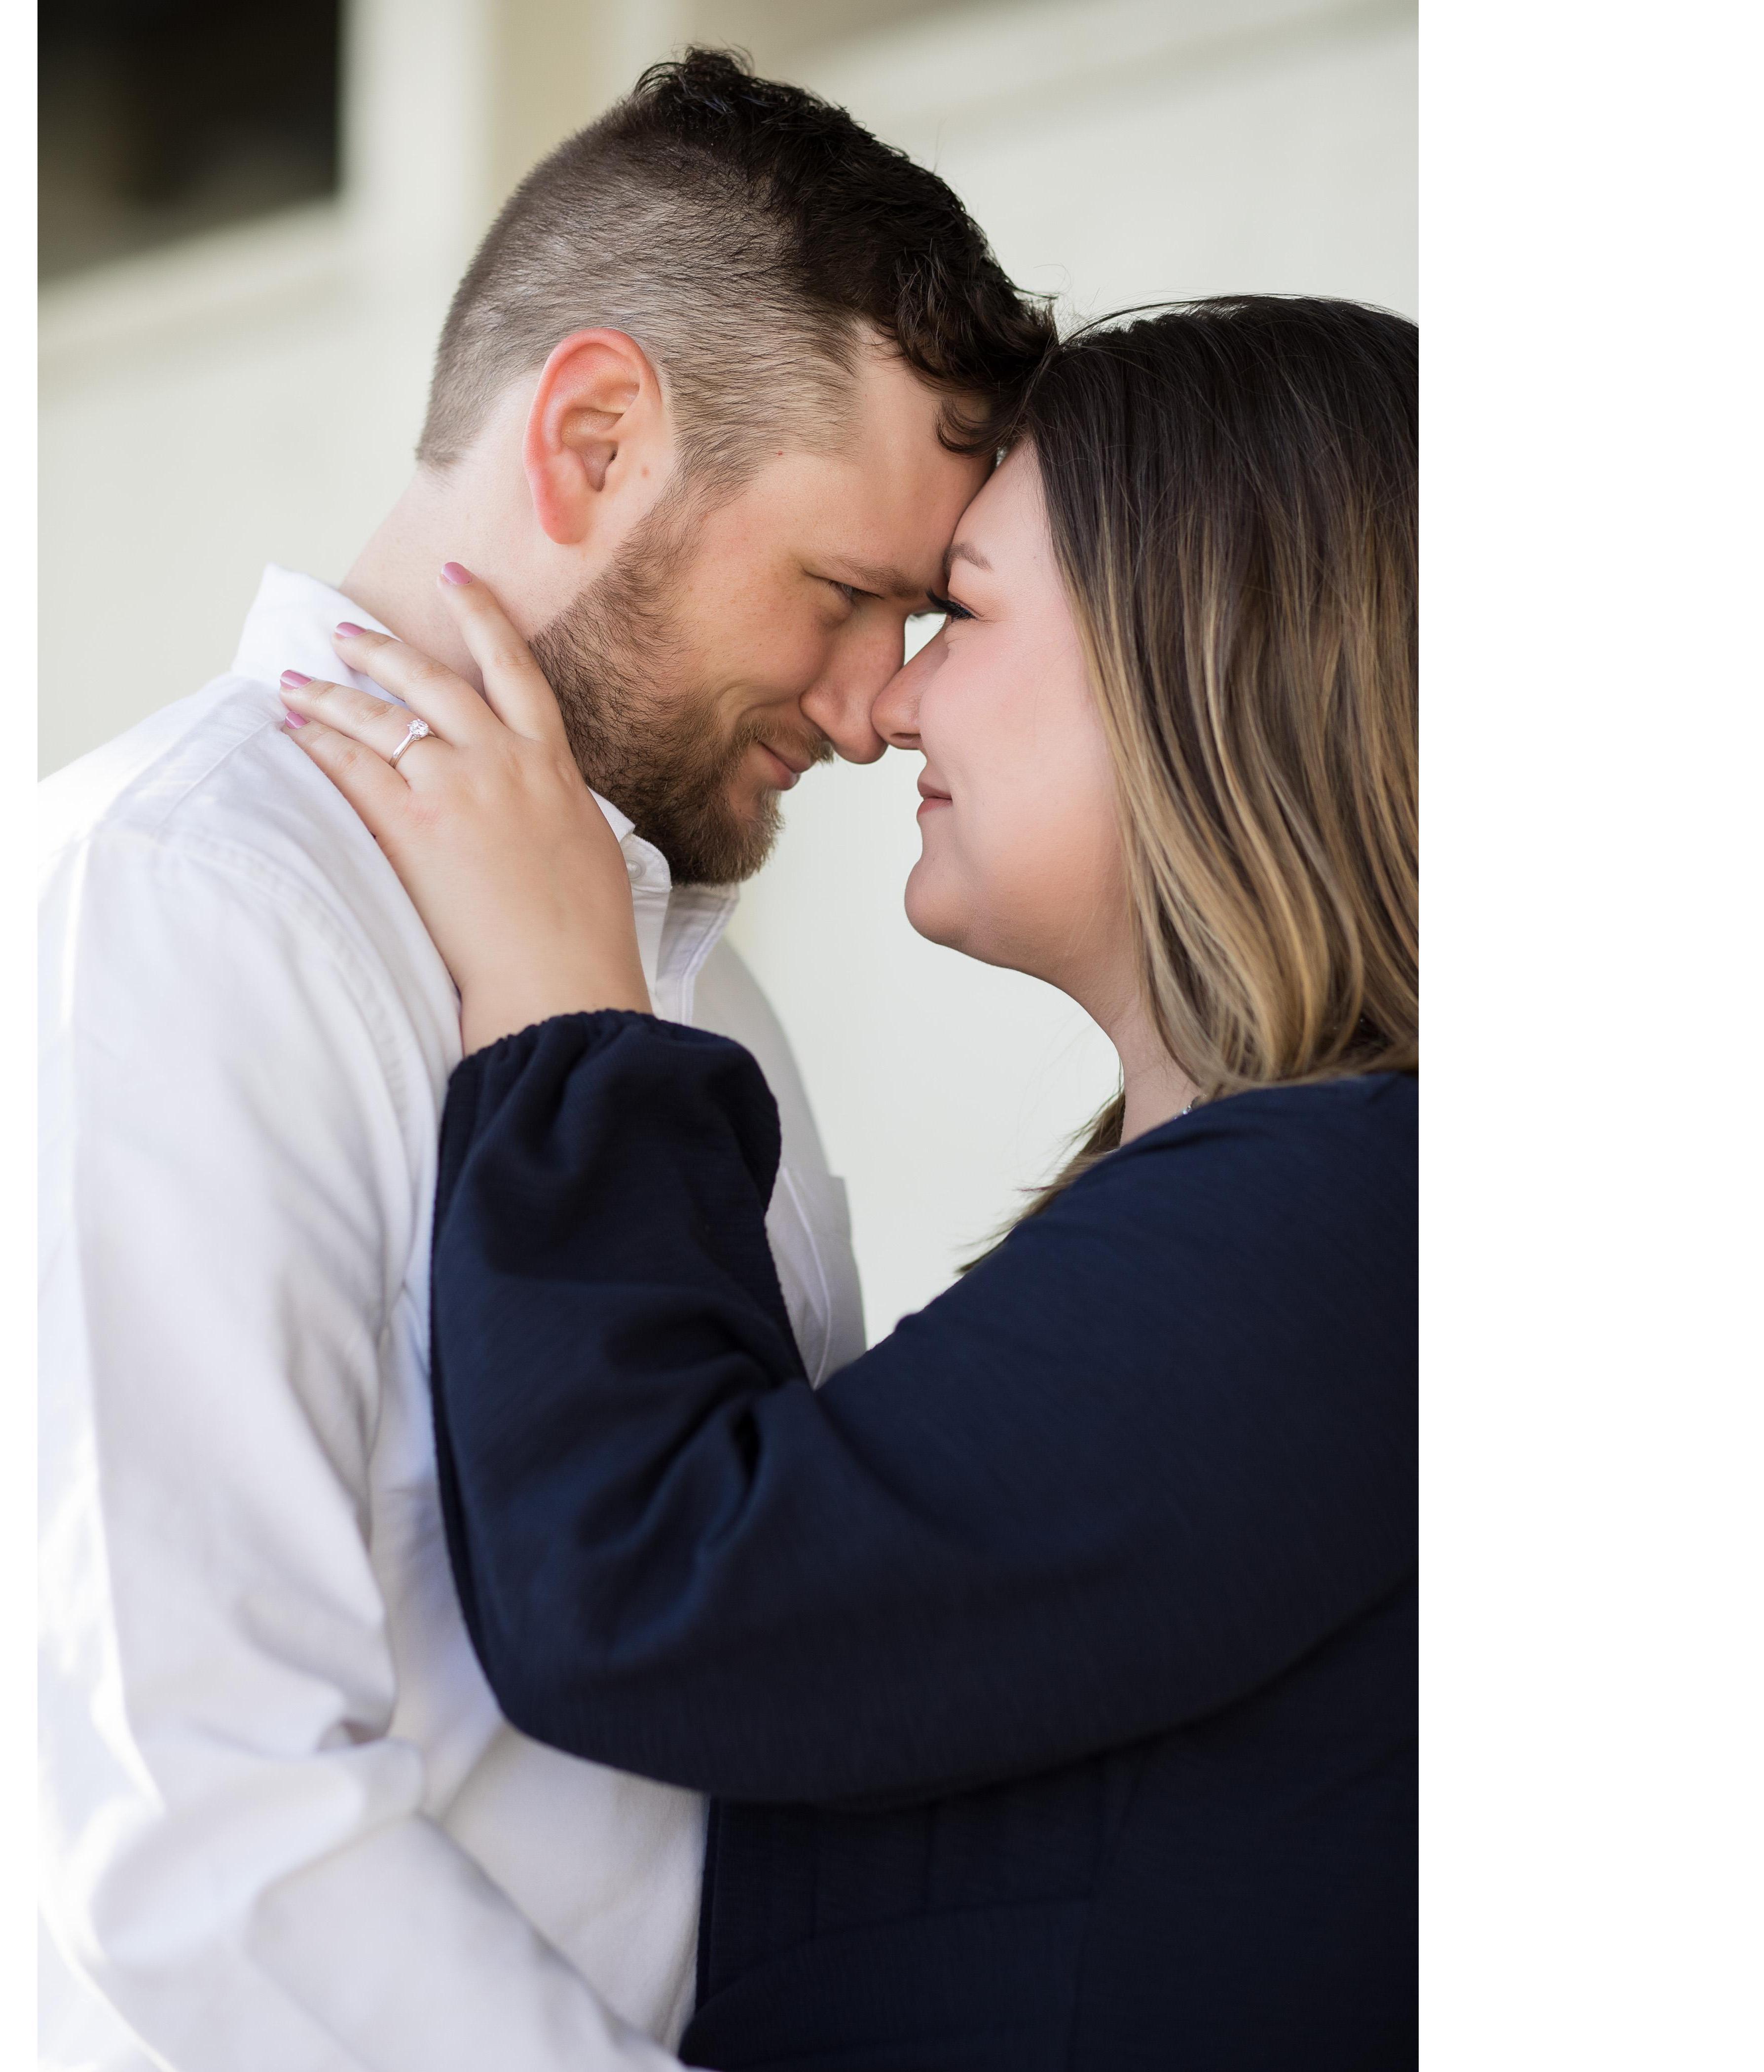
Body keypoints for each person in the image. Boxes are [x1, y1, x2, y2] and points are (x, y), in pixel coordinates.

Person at [37, 49, 1055, 2072]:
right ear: (591, 439)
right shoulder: (180, 912)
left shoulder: (689, 984)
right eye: (847, 596)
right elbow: (195, 1824)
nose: (874, 715)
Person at [281, 295, 1420, 2071]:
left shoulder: (1368, 1224)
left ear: (1207, 645)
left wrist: (569, 1010)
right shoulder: (1317, 1218)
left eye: (956, 611)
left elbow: (664, 1586)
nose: (886, 703)